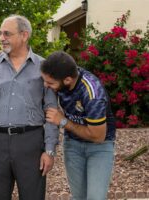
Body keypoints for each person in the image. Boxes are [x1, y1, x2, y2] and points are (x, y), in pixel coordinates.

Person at [0, 15, 59, 200]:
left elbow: (51, 112)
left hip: (30, 142)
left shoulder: (43, 67)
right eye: (0, 33)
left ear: (24, 35)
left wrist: (49, 150)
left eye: (7, 33)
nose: (1, 38)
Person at [40, 51, 116, 200]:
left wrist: (63, 122)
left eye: (50, 83)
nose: (45, 86)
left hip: (99, 148)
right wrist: (0, 55)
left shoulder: (92, 93)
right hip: (73, 145)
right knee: (78, 197)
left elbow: (98, 136)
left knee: (95, 197)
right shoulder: (62, 74)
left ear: (67, 80)